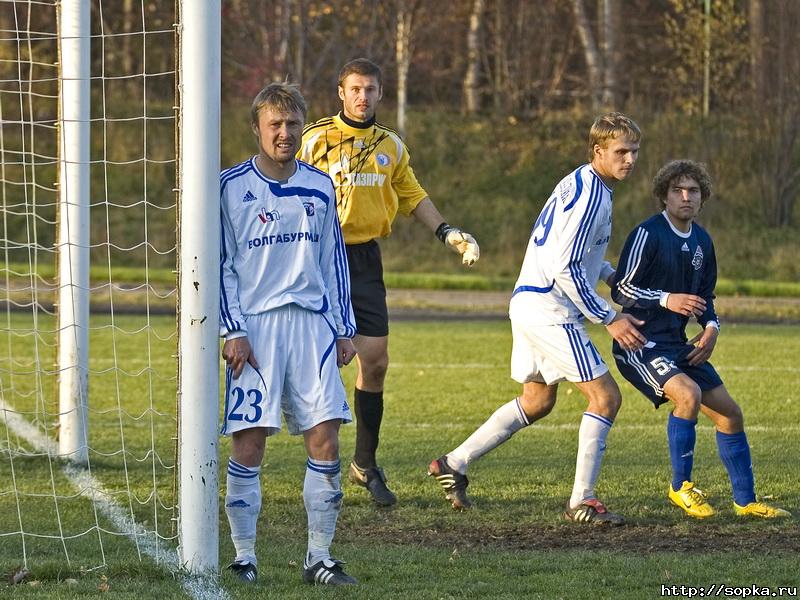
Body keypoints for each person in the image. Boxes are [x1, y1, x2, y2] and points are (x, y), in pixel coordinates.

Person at [428, 113, 646, 525]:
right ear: (598, 151)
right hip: (550, 307)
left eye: (634, 151)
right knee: (606, 397)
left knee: (537, 400)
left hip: (530, 299)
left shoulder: (581, 181)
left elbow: (571, 251)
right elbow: (564, 266)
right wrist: (608, 315)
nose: (630, 159)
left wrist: (609, 274)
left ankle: (453, 463)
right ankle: (582, 501)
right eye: (621, 152)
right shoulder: (591, 195)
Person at [299, 58, 480, 507]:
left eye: (371, 89)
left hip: (364, 261)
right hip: (317, 257)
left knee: (374, 361)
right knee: (312, 365)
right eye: (355, 88)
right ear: (341, 92)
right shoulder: (315, 138)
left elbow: (411, 195)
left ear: (381, 94)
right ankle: (314, 467)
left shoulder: (390, 145)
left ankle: (364, 464)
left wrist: (447, 231)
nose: (363, 96)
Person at [219, 82, 360, 586]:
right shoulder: (230, 186)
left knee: (325, 438)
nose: (284, 133)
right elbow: (222, 267)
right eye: (275, 125)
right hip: (255, 329)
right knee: (249, 441)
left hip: (313, 327)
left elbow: (334, 261)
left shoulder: (321, 185)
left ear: (303, 127)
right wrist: (232, 330)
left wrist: (345, 328)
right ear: (257, 128)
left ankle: (318, 557)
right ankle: (244, 557)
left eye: (292, 124)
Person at [610, 159, 790, 520]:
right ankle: (681, 487)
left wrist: (711, 329)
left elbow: (706, 299)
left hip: (678, 345)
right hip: (639, 342)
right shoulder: (648, 234)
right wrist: (666, 299)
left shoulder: (703, 241)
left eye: (693, 191)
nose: (685, 196)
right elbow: (621, 288)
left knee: (730, 416)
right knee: (687, 395)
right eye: (677, 190)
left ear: (702, 197)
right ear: (664, 195)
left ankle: (745, 501)